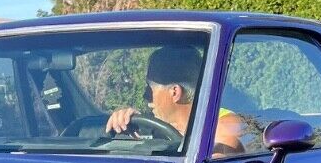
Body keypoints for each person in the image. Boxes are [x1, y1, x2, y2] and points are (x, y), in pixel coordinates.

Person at [104, 45, 247, 156]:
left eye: (150, 88)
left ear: (175, 92)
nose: (145, 96)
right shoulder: (161, 127)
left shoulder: (222, 126)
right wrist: (127, 124)